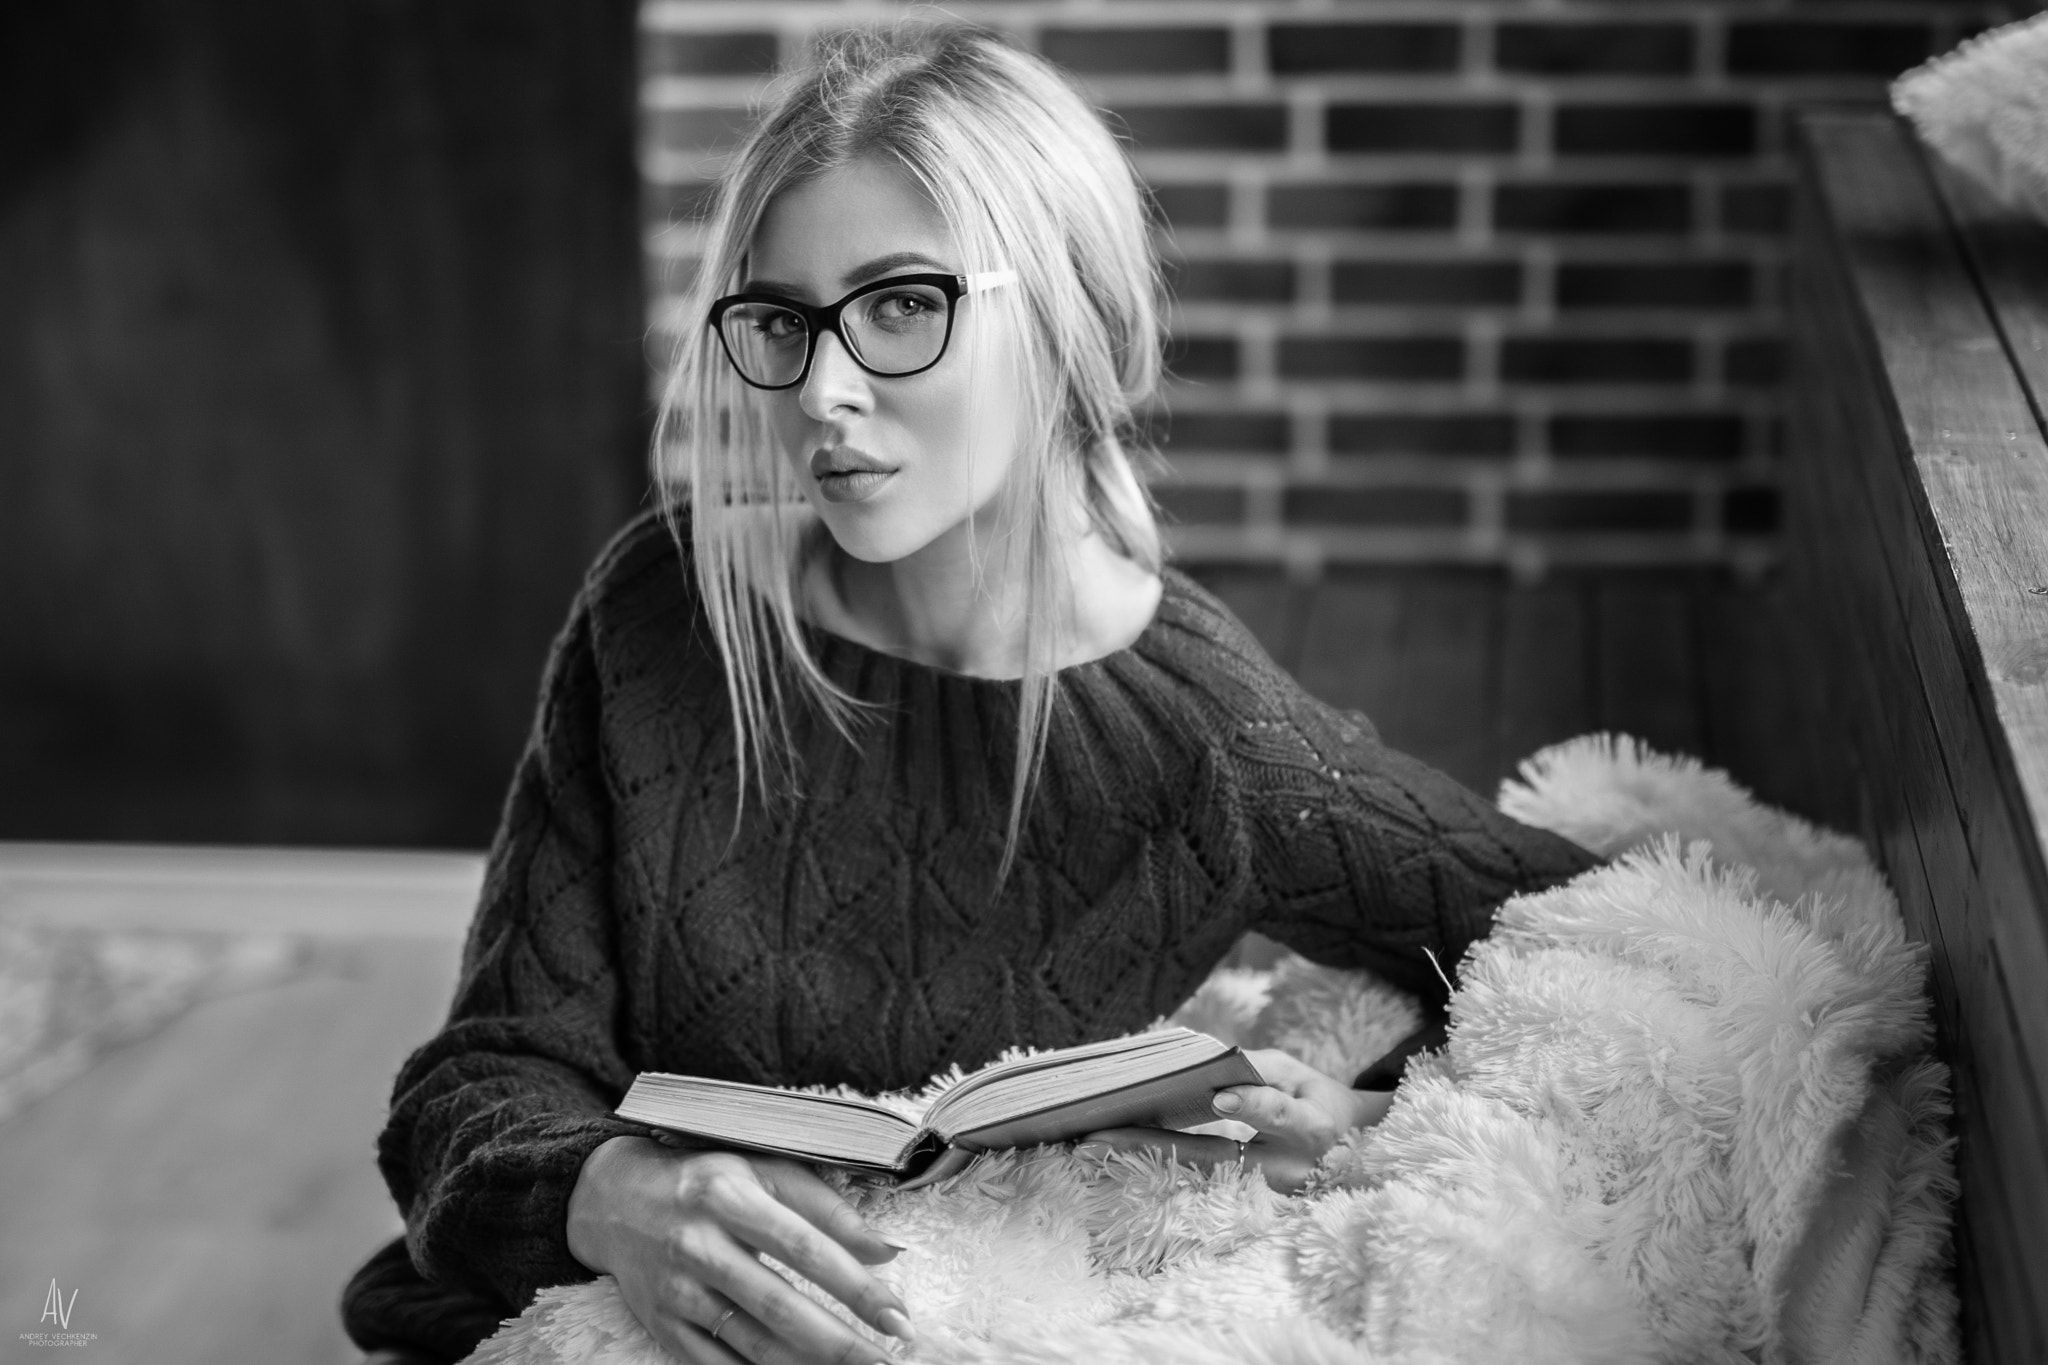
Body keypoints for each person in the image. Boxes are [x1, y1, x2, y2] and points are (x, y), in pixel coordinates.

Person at [340, 23, 1599, 1365]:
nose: (822, 391)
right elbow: (477, 1077)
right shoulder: (668, 608)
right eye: (781, 320)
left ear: (1068, 319)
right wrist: (607, 1192)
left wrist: (1361, 1125)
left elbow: (1608, 941)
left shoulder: (1213, 743)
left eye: (900, 306)